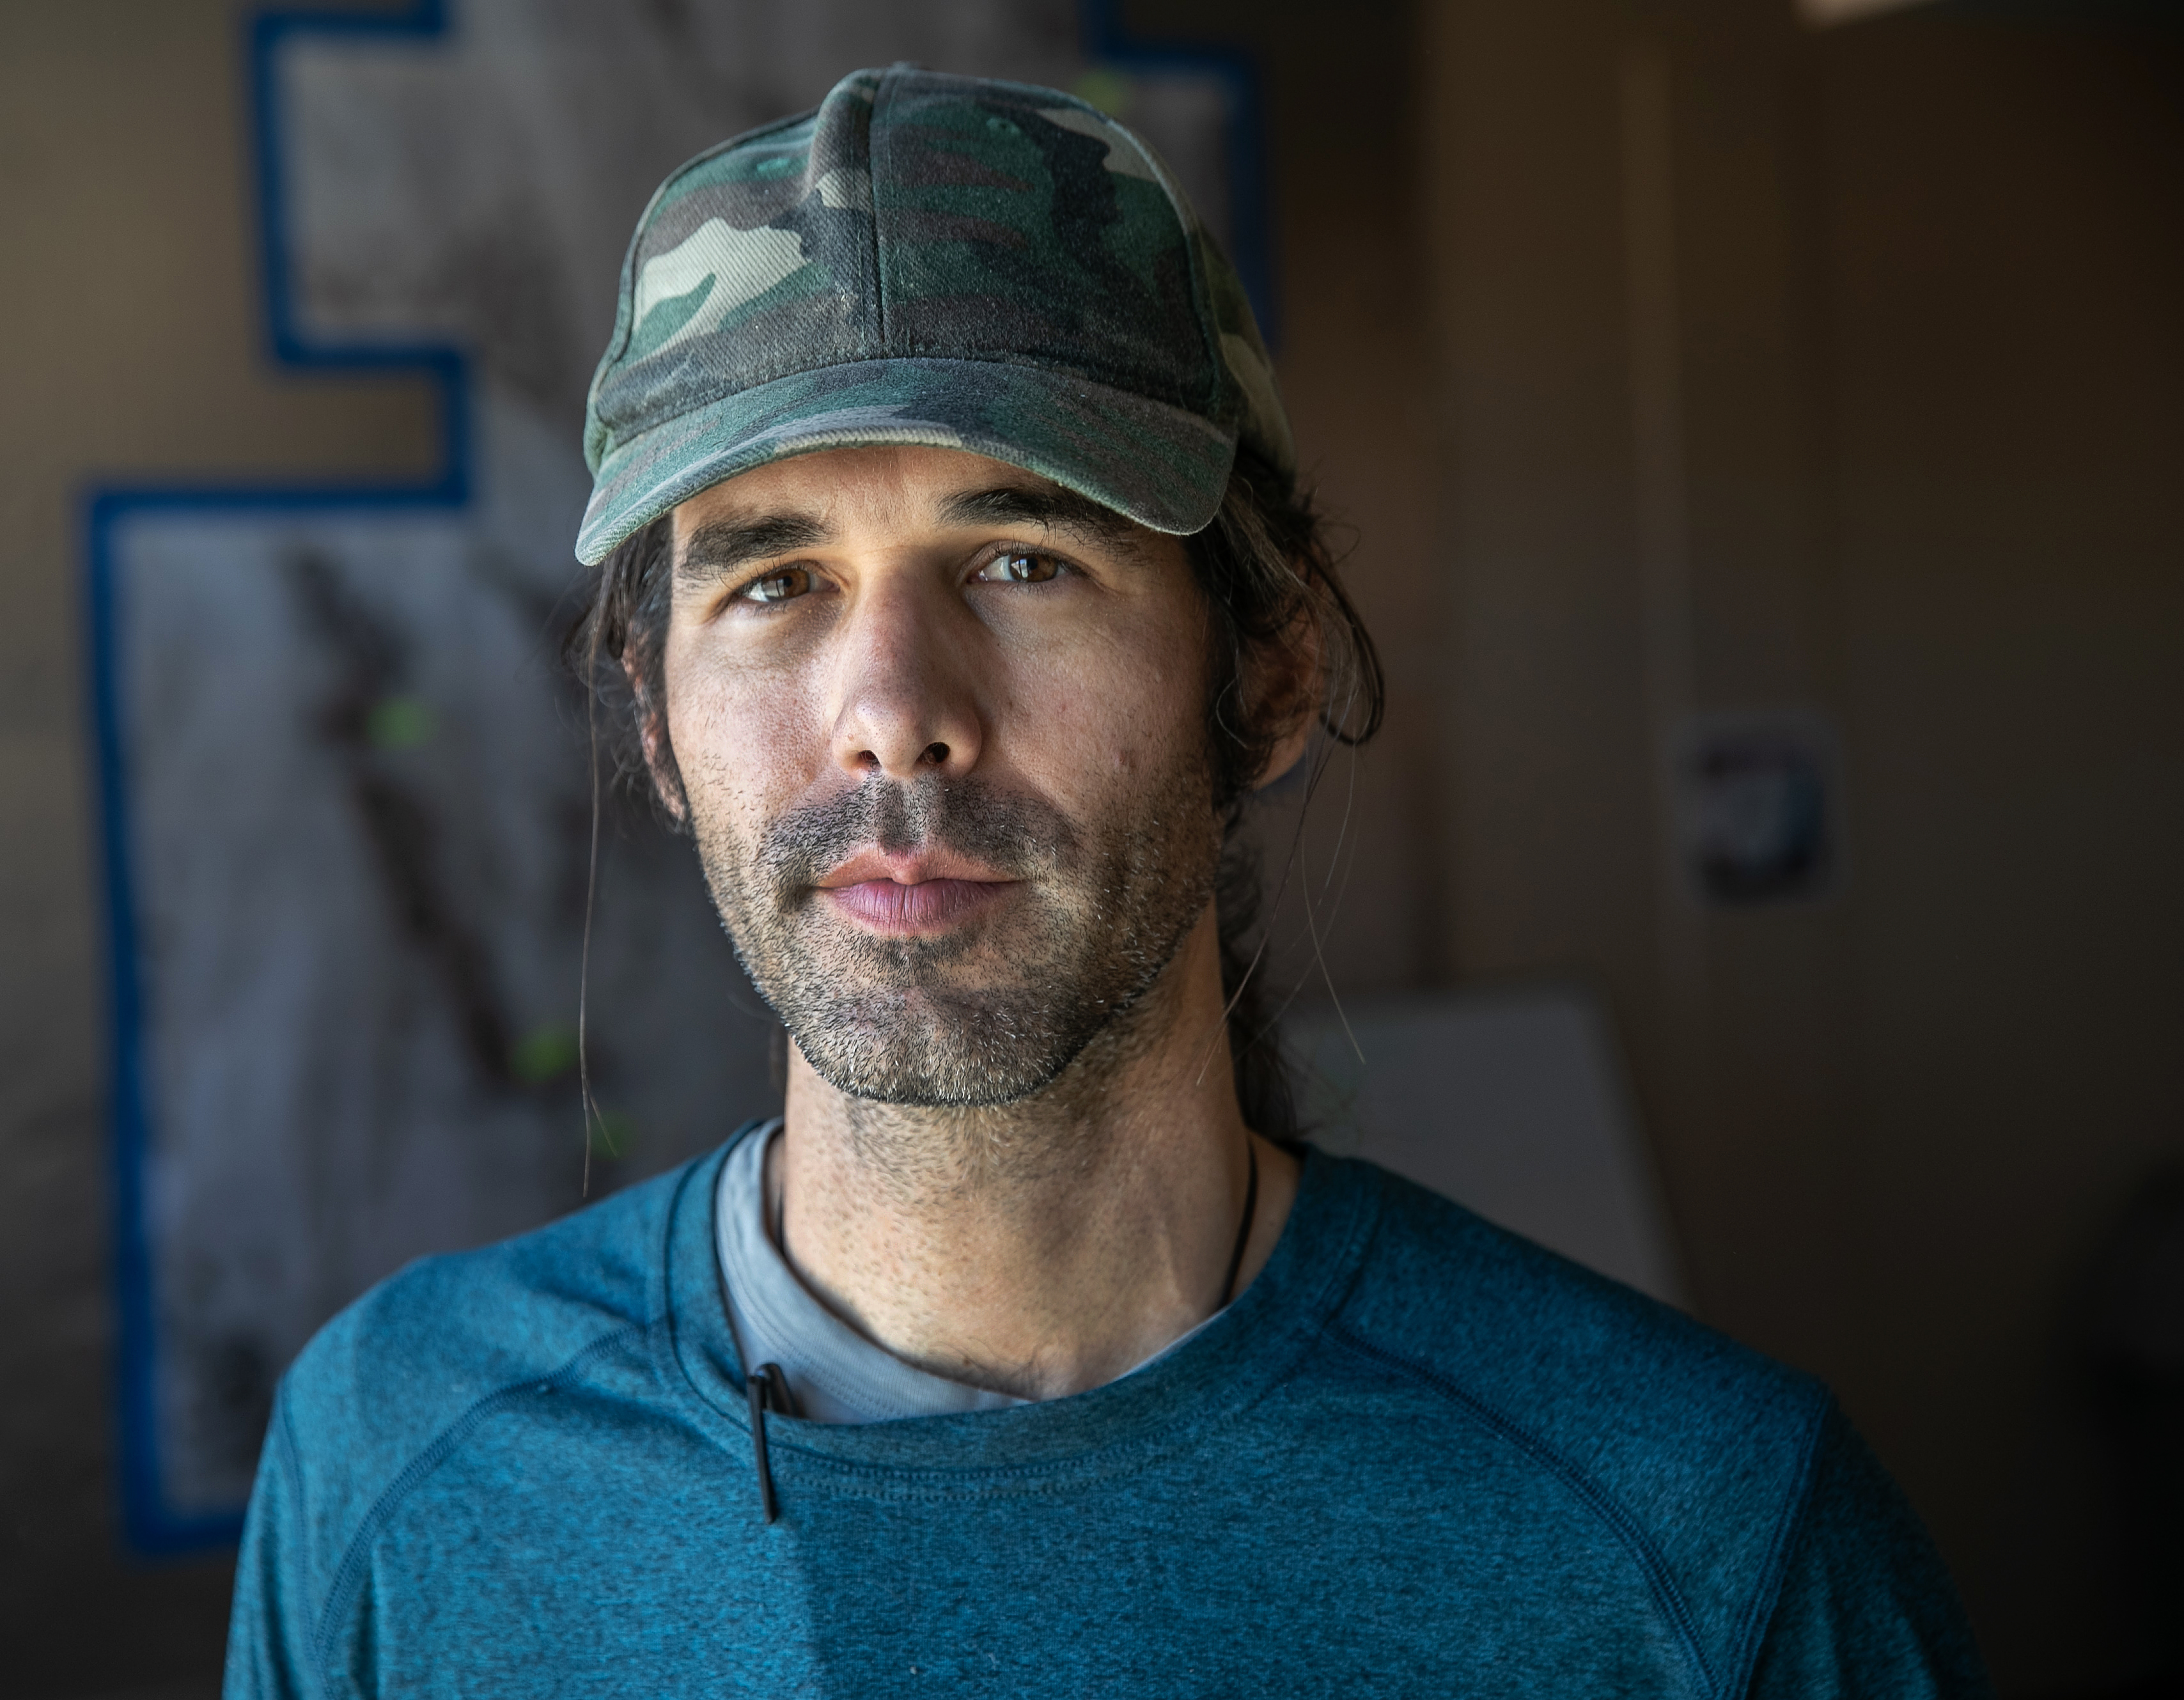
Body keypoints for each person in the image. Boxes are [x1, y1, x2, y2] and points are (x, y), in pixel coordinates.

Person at [226, 66, 1988, 1697]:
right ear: (656, 723)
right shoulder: (398, 1465)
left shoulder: (1701, 1544)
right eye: (773, 582)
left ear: (1273, 674)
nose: (896, 716)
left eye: (1020, 555)